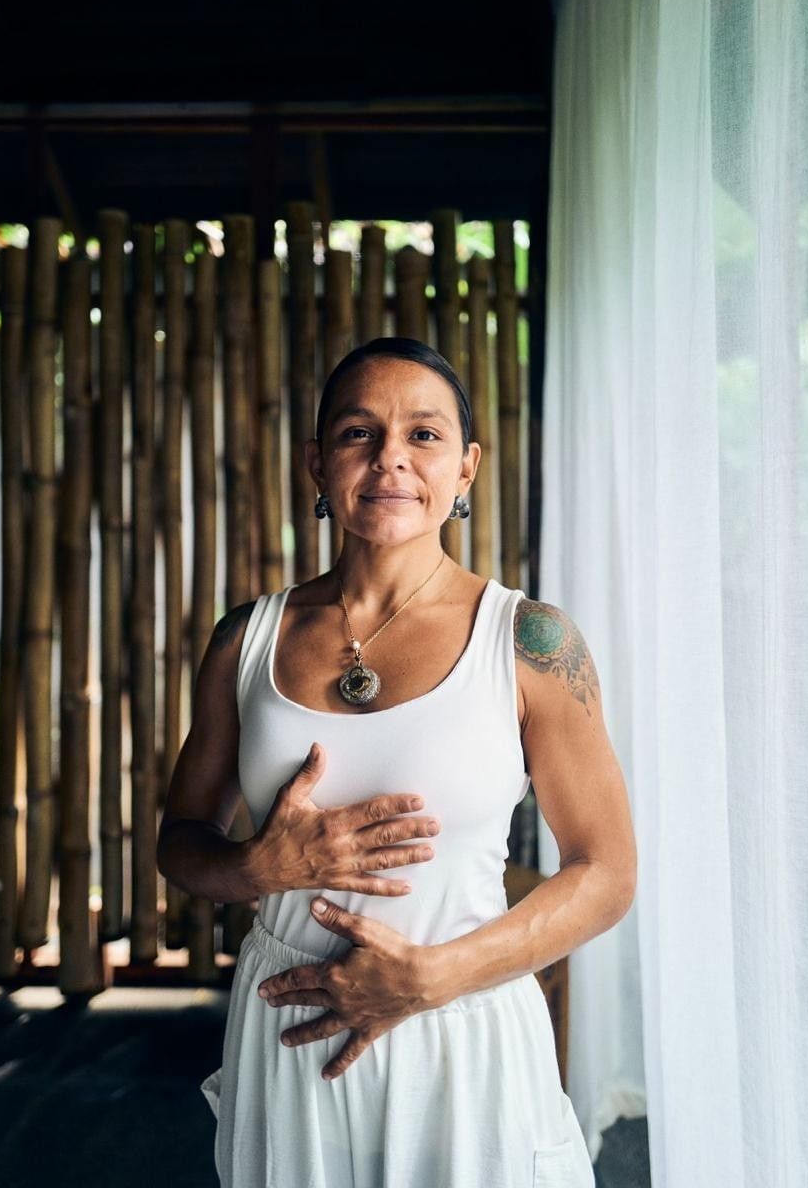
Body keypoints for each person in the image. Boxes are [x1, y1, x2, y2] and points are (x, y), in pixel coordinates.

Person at [157, 336, 636, 1188]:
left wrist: (431, 978)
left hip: (463, 1037)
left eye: (423, 435)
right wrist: (256, 868)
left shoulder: (529, 641)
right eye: (358, 433)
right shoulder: (246, 640)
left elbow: (607, 872)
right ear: (318, 463)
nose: (390, 460)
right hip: (289, 1039)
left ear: (466, 467)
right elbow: (181, 840)